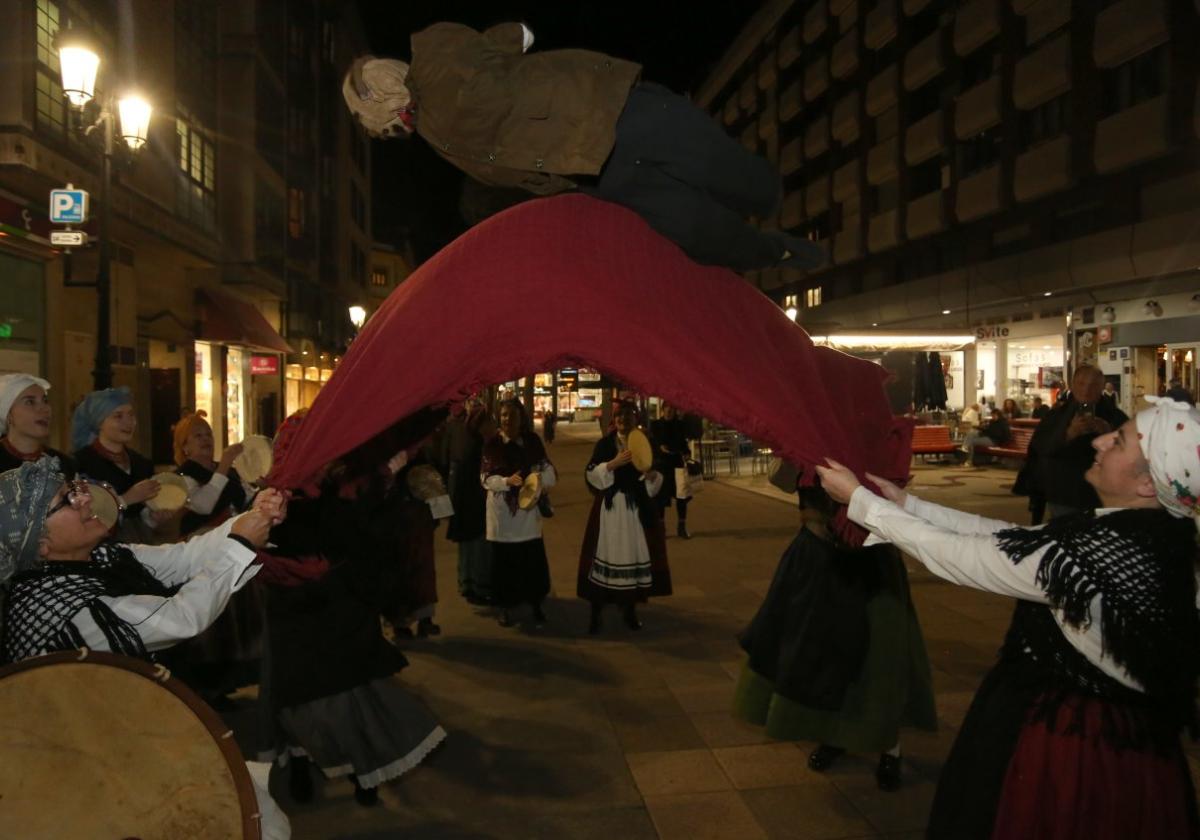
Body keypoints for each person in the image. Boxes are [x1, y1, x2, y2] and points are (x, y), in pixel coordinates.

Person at [816, 396, 1200, 839]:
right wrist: (907, 505)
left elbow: (969, 558)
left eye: (1121, 441)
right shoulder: (1147, 535)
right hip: (1132, 741)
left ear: (1149, 485)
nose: (1100, 440)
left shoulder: (1099, 557)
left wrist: (860, 501)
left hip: (1078, 743)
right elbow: (1011, 538)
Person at [342, 22, 826, 273]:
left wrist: (514, 38)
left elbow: (502, 47)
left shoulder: (435, 51)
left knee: (714, 168)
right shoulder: (435, 131)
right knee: (696, 228)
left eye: (392, 122)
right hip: (591, 166)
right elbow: (500, 163)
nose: (400, 126)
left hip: (608, 110)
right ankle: (779, 247)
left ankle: (776, 202)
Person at [0, 456, 291, 837]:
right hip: (98, 765)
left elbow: (182, 558)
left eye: (72, 490)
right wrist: (239, 544)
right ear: (39, 545)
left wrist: (252, 518)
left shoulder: (97, 557)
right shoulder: (64, 609)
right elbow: (181, 617)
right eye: (66, 502)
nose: (84, 499)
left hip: (126, 735)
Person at [255, 414, 446, 808]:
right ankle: (302, 765)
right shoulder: (272, 493)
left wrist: (384, 484)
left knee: (352, 694)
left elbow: (370, 536)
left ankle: (364, 770)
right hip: (293, 611)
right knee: (297, 699)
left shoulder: (341, 486)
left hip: (341, 605)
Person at [733, 481, 937, 791]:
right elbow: (781, 477)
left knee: (880, 659)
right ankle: (833, 736)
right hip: (819, 556)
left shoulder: (882, 437)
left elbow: (893, 483)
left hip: (872, 556)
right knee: (824, 653)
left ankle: (889, 746)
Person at [577, 401, 671, 633]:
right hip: (610, 510)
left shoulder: (646, 443)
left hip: (634, 511)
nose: (623, 419)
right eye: (619, 415)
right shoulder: (605, 444)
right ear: (614, 419)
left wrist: (652, 476)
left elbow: (658, 471)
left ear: (635, 418)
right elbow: (591, 473)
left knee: (631, 554)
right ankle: (596, 612)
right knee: (604, 555)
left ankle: (629, 609)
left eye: (627, 415)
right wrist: (611, 464)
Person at [1013, 365, 1127, 523]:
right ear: (1072, 385)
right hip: (1064, 491)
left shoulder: (1115, 416)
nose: (1087, 390)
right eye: (1081, 384)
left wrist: (1108, 432)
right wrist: (1068, 434)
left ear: (1101, 386)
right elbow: (1041, 449)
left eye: (1093, 385)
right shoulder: (1056, 415)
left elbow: (1131, 452)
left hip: (1103, 493)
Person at [481, 399, 555, 628]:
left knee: (530, 562)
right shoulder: (493, 445)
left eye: (512, 415)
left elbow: (547, 468)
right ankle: (504, 607)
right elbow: (484, 478)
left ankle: (535, 604)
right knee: (504, 565)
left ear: (521, 418)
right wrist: (506, 481)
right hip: (502, 516)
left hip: (528, 515)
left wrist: (540, 479)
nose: (507, 419)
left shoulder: (532, 442)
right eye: (503, 415)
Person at [71, 387, 167, 542]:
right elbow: (78, 518)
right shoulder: (81, 463)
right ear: (100, 422)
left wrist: (154, 517)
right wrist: (126, 499)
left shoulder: (141, 463)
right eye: (118, 416)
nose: (128, 422)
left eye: (131, 414)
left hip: (141, 547)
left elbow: (142, 519)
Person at [442, 400, 496, 605]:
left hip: (470, 508)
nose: (493, 424)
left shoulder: (475, 447)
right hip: (474, 508)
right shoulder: (476, 450)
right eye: (489, 421)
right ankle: (477, 586)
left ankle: (470, 584)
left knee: (471, 547)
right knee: (477, 547)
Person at [173, 411, 253, 537]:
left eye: (209, 434)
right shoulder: (182, 476)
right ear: (185, 447)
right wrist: (224, 465)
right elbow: (204, 505)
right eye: (198, 436)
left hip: (237, 536)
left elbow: (248, 499)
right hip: (203, 543)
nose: (205, 439)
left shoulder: (229, 470)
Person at [0, 373, 74, 476]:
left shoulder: (64, 465)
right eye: (30, 402)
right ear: (8, 415)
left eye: (45, 401)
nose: (45, 409)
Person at [650, 403, 694, 539]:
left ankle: (682, 527)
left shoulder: (680, 425)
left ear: (675, 411)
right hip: (661, 465)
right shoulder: (655, 425)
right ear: (662, 410)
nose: (669, 411)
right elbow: (651, 444)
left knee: (681, 497)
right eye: (667, 409)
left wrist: (687, 453)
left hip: (677, 464)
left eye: (672, 409)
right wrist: (659, 447)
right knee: (660, 499)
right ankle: (661, 529)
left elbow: (683, 444)